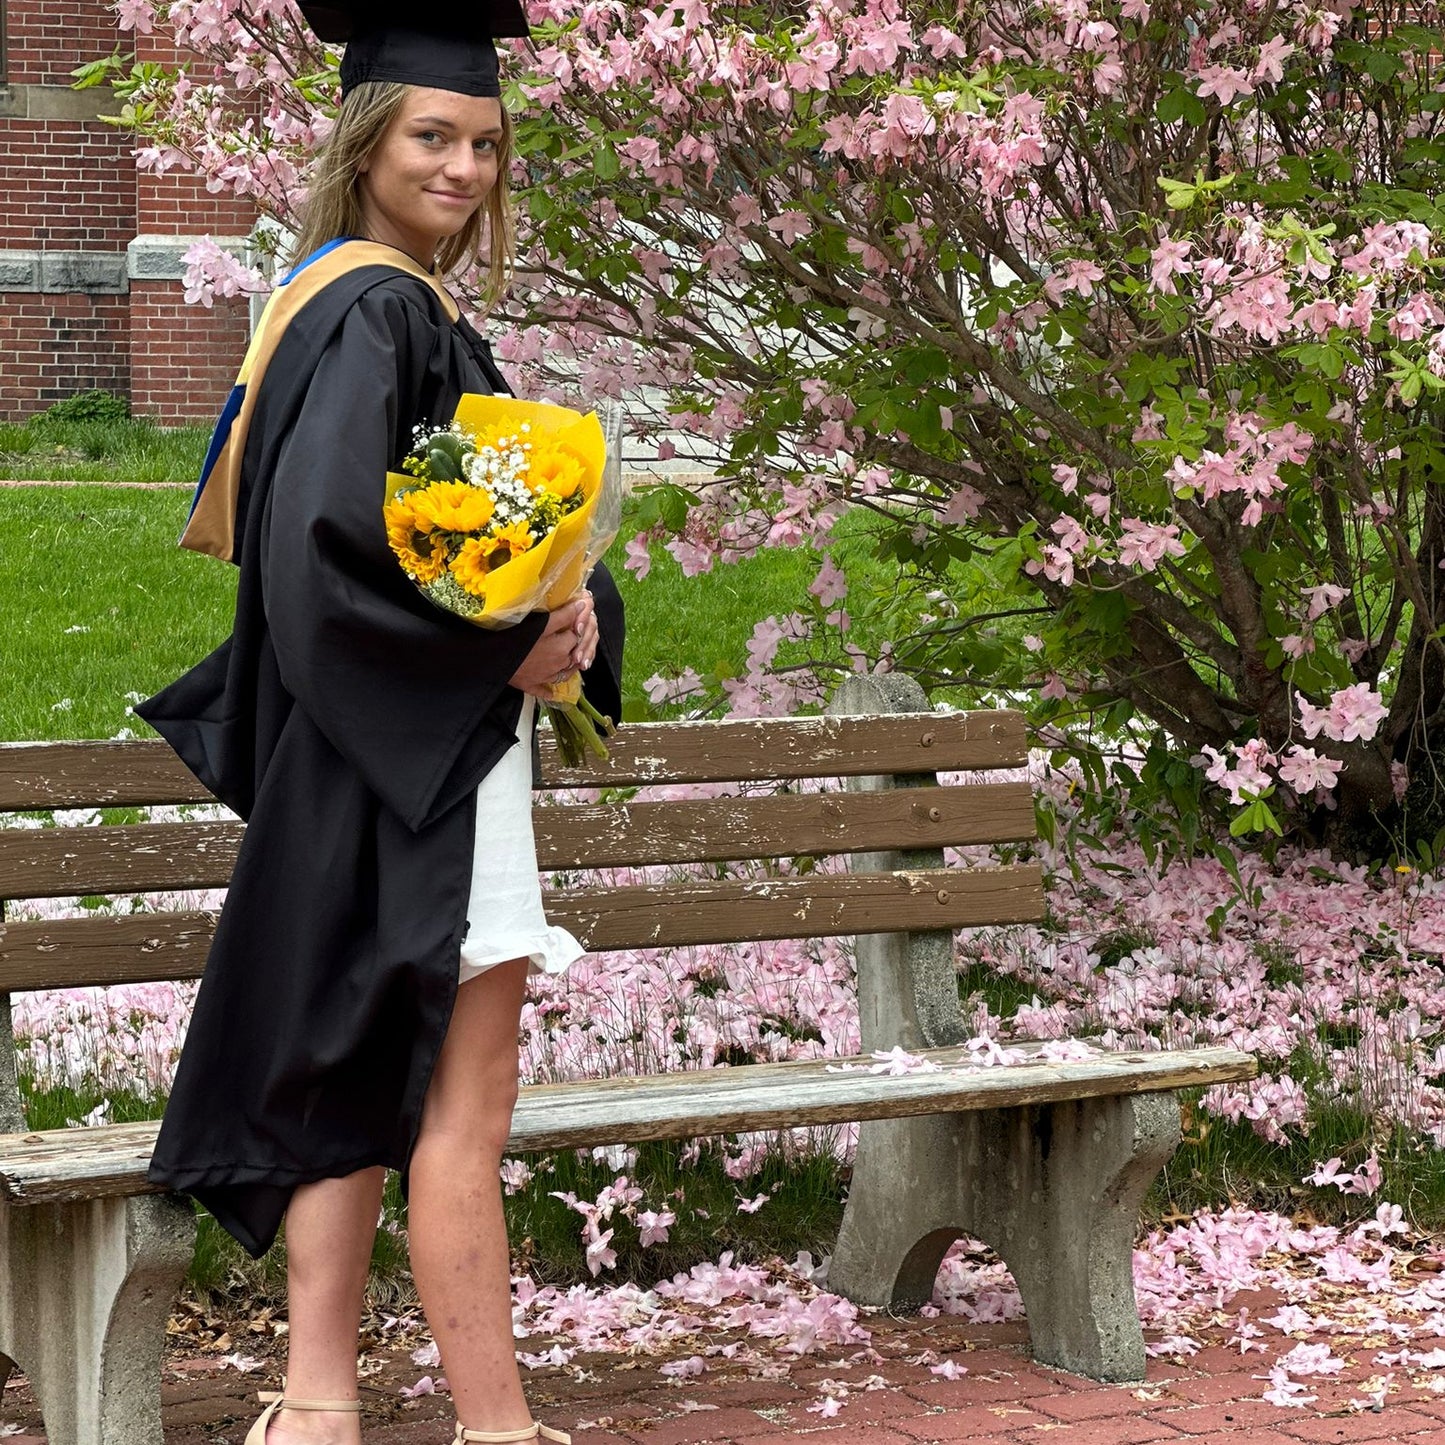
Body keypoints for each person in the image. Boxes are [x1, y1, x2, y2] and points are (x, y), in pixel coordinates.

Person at [135, 4, 623, 1442]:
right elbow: (328, 552)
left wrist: (564, 616)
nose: (464, 167)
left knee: (352, 1071)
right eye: (433, 136)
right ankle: (497, 1424)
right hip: (426, 764)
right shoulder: (382, 307)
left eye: (483, 142)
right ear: (363, 146)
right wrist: (500, 656)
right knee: (463, 1105)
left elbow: (406, 545)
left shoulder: (338, 298)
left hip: (368, 753)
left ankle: (315, 1407)